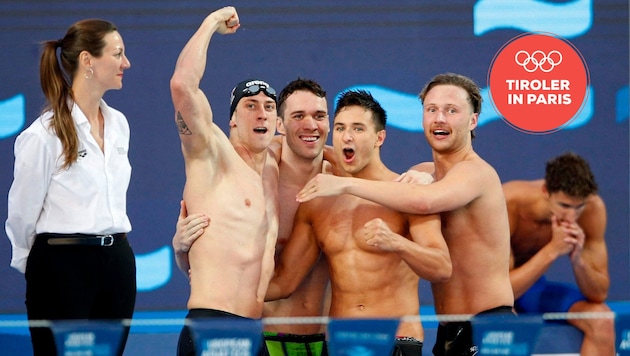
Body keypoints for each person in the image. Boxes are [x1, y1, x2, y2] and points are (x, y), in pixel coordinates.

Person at [296, 73, 515, 355]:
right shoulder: (423, 174)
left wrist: (343, 183)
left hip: (489, 322)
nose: (439, 118)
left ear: (473, 121)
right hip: (449, 329)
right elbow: (362, 161)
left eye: (452, 111)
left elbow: (423, 202)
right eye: (432, 110)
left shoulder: (475, 173)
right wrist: (297, 147)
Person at [266, 89, 452, 355]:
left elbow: (441, 267)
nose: (347, 136)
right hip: (340, 343)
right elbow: (284, 282)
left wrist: (397, 243)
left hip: (396, 340)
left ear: (379, 137)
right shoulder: (318, 202)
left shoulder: (407, 193)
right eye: (340, 128)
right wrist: (225, 292)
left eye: (358, 128)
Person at [173, 78, 333, 356]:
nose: (310, 125)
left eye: (318, 116)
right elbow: (215, 266)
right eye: (298, 116)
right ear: (281, 126)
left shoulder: (343, 178)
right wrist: (181, 249)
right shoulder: (250, 174)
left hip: (321, 339)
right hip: (260, 331)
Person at [5, 19, 135, 355]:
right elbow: (22, 213)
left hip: (117, 263)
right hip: (63, 266)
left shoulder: (120, 125)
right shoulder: (44, 134)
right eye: (118, 54)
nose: (126, 63)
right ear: (88, 61)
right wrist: (36, 266)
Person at [169, 7, 280, 356]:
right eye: (249, 105)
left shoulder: (275, 175)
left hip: (254, 330)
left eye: (268, 106)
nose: (261, 112)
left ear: (278, 123)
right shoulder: (212, 154)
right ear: (231, 121)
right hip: (213, 325)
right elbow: (182, 86)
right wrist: (211, 23)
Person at [503, 152, 615, 356]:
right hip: (492, 291)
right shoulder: (507, 204)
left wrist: (579, 260)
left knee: (601, 319)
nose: (571, 216)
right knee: (505, 318)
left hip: (533, 289)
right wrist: (552, 250)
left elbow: (598, 294)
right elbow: (501, 293)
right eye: (564, 206)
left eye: (578, 207)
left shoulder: (592, 209)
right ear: (546, 191)